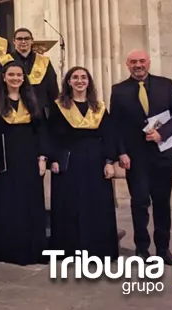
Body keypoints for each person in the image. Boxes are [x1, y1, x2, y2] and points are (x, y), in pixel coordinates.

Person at [111, 50, 172, 263]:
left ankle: (163, 250)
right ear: (127, 65)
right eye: (133, 61)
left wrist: (162, 133)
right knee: (140, 202)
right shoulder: (118, 91)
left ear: (148, 63)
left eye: (142, 61)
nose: (138, 65)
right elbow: (115, 126)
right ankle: (142, 249)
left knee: (162, 203)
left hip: (163, 154)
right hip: (135, 158)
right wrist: (121, 152)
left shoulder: (166, 84)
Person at [48, 67, 119, 258]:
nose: (79, 81)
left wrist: (109, 161)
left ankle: (97, 250)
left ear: (89, 82)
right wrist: (52, 159)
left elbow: (109, 135)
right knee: (68, 204)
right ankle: (69, 250)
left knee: (96, 204)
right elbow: (51, 136)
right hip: (68, 159)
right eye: (75, 77)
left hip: (95, 160)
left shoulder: (99, 107)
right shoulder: (58, 107)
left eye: (83, 78)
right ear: (68, 82)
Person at [0, 62, 48, 265]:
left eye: (19, 75)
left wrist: (42, 158)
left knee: (30, 202)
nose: (15, 78)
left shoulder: (32, 101)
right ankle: (7, 250)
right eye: (11, 74)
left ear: (24, 78)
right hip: (4, 160)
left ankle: (34, 250)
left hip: (29, 159)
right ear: (3, 77)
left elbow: (41, 132)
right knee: (6, 203)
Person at [9, 27, 59, 114]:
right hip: (14, 110)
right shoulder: (6, 60)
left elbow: (52, 86)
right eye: (20, 39)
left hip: (40, 109)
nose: (23, 41)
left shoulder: (43, 61)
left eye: (27, 38)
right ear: (14, 41)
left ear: (32, 41)